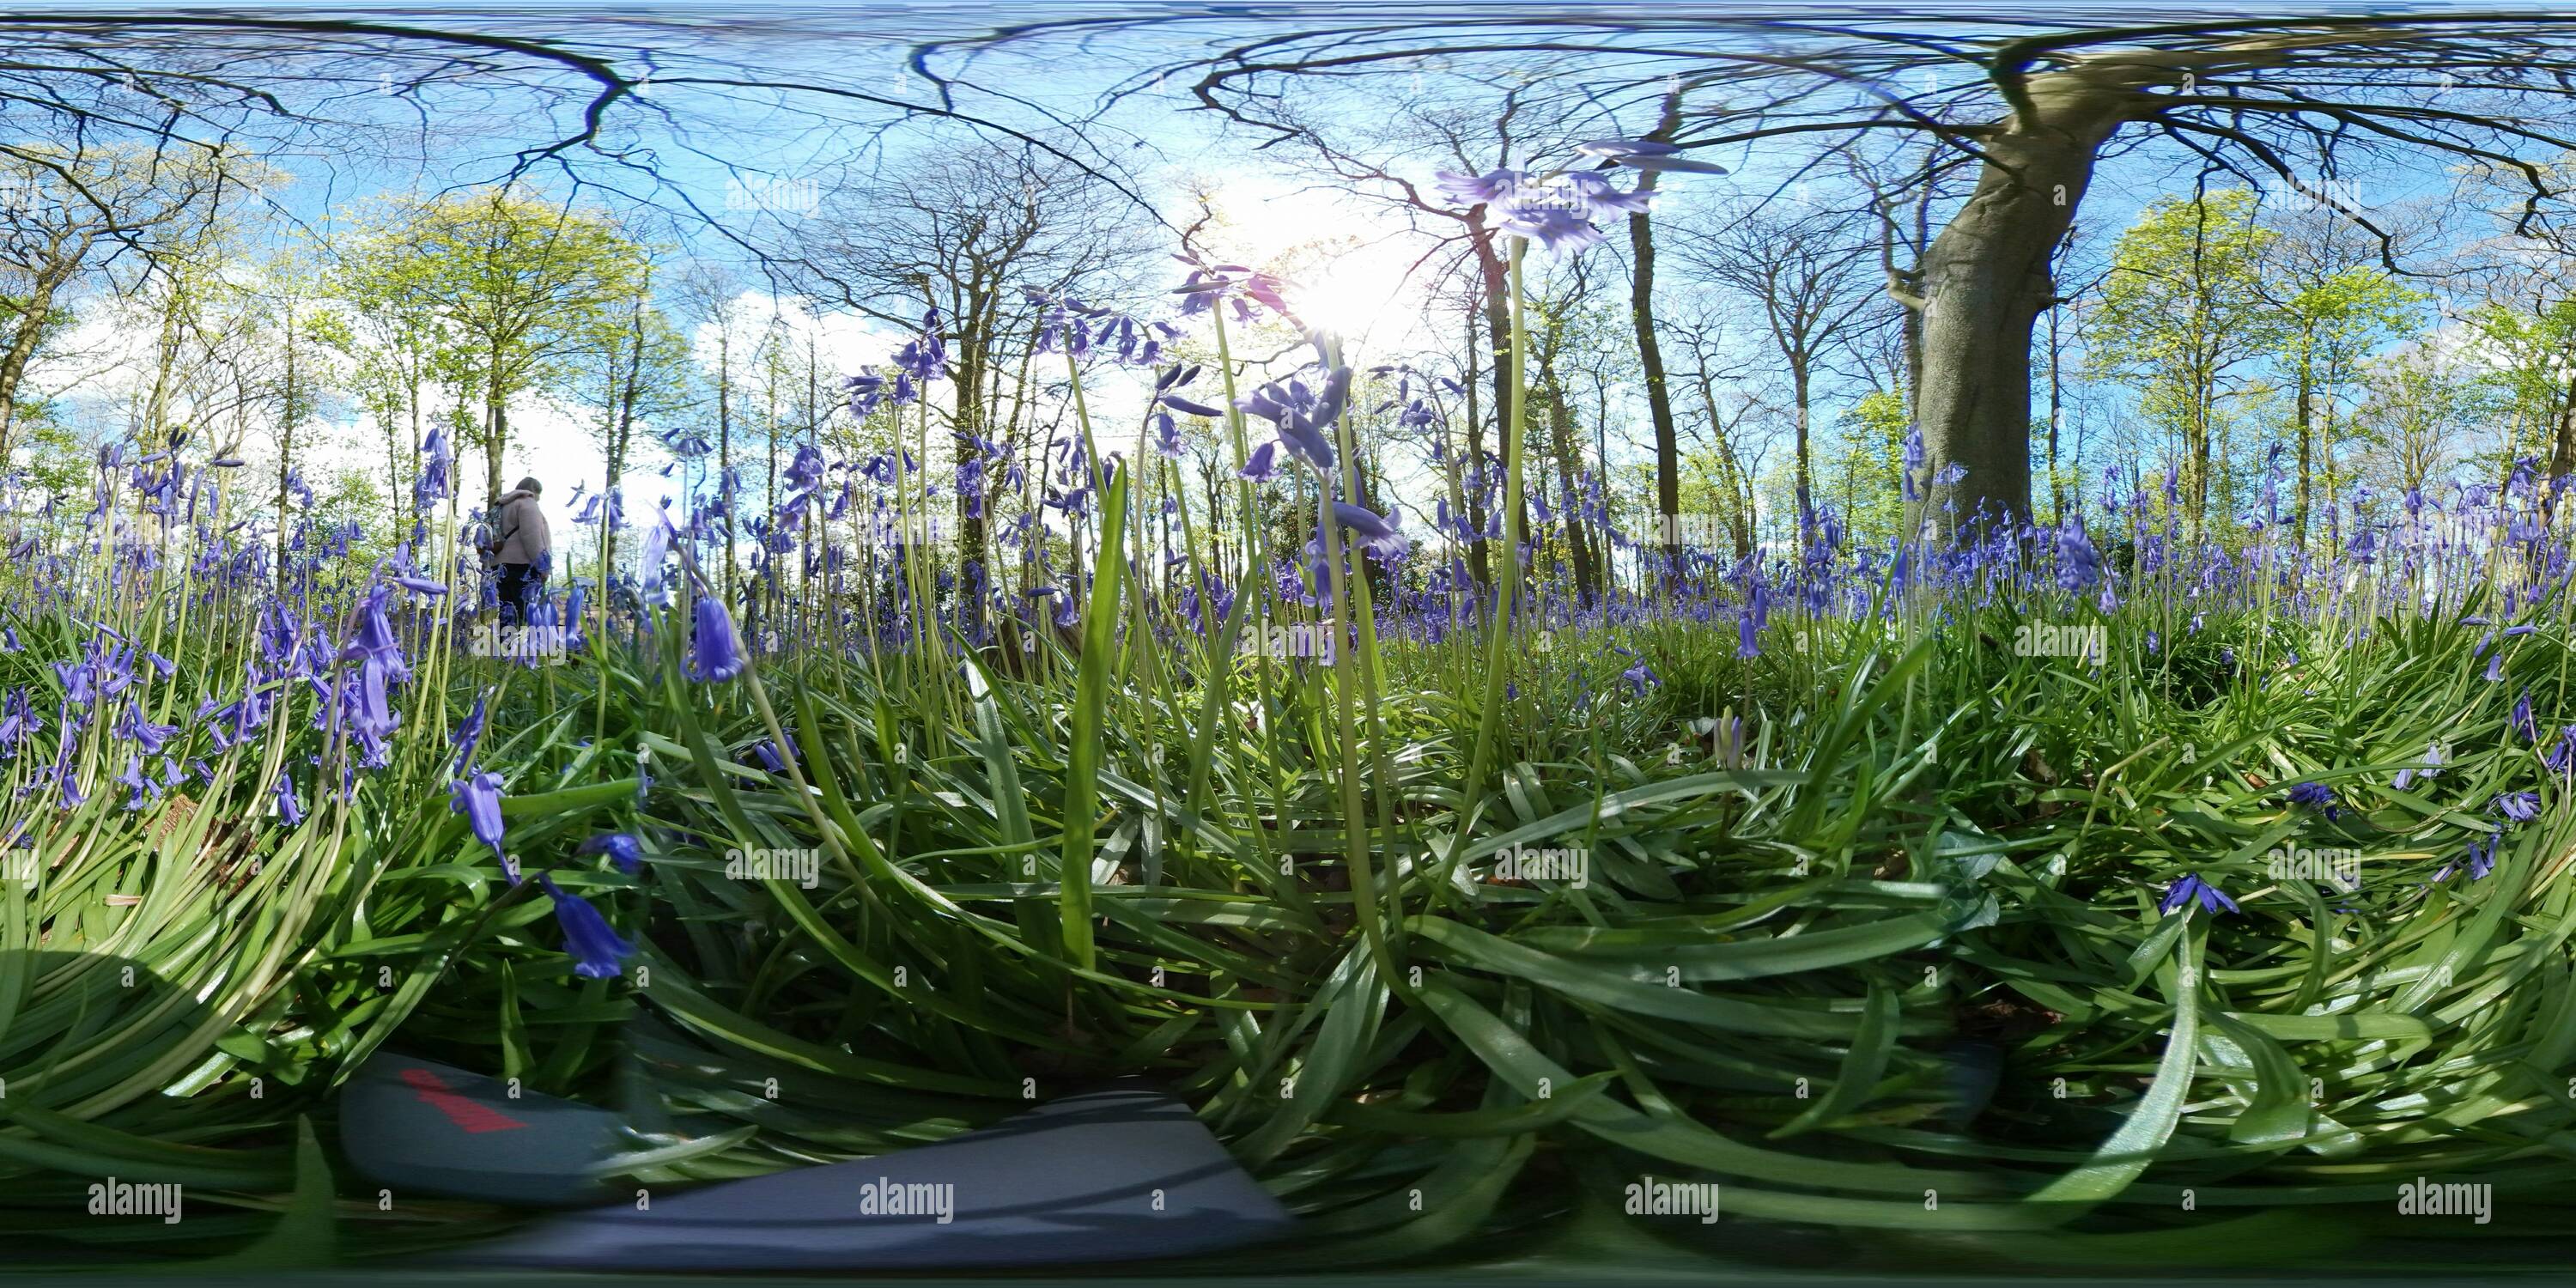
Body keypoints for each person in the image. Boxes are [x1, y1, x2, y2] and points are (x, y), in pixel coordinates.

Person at [492, 477, 550, 625]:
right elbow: (532, 537)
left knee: (507, 614)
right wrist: (543, 567)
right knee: (527, 614)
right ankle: (527, 647)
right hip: (523, 568)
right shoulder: (527, 503)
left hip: (499, 568)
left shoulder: (501, 505)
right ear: (534, 491)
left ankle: (505, 647)